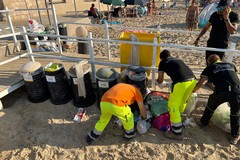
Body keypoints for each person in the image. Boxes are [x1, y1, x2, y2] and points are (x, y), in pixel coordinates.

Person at [193, 54, 240, 145]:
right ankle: (235, 136)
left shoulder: (210, 68)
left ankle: (203, 123)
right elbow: (233, 76)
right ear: (219, 60)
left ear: (209, 62)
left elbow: (200, 83)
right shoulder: (231, 65)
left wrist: (193, 91)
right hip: (236, 91)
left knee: (211, 105)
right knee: (235, 113)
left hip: (222, 91)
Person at [157, 50, 197, 140]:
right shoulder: (178, 60)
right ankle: (179, 118)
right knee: (183, 101)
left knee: (172, 106)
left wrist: (159, 82)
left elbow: (160, 80)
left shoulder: (162, 62)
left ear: (162, 58)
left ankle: (177, 132)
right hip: (192, 81)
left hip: (181, 83)